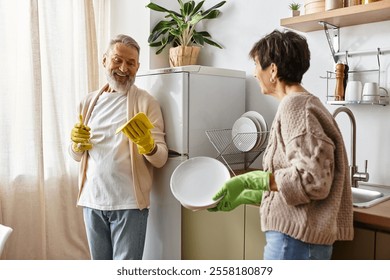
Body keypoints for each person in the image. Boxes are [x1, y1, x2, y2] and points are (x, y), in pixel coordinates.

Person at [210, 29, 354, 260]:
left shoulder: (295, 107)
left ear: (273, 70)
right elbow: (293, 186)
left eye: (257, 64)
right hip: (297, 238)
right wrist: (247, 195)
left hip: (295, 241)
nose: (255, 73)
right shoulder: (304, 105)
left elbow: (314, 181)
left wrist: (249, 179)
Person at [69, 34, 168, 260]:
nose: (123, 68)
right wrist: (75, 144)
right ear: (104, 60)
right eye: (117, 60)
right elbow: (76, 155)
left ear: (138, 67)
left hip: (129, 205)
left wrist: (148, 145)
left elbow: (161, 158)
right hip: (92, 202)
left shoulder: (146, 103)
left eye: (131, 63)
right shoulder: (88, 102)